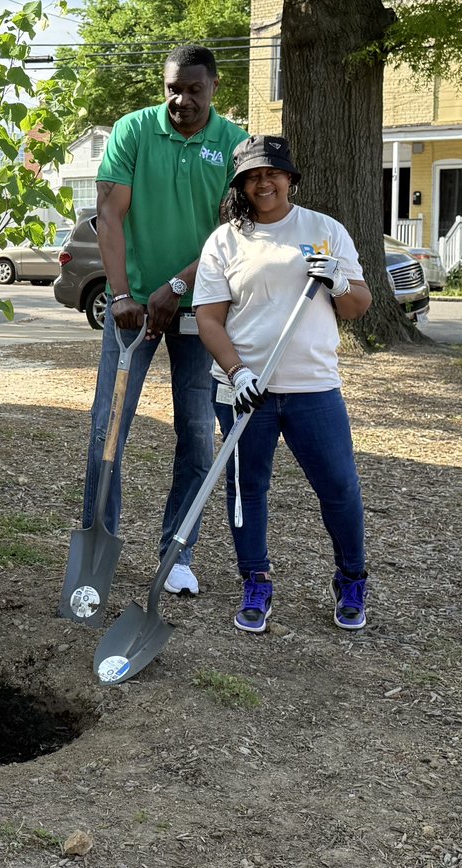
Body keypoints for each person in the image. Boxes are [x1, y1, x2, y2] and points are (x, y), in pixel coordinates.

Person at [82, 44, 249, 596]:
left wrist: (178, 286)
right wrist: (122, 294)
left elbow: (232, 236)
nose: (181, 99)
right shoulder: (133, 131)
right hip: (131, 313)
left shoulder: (232, 144)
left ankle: (177, 552)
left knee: (197, 436)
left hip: (200, 313)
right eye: (173, 88)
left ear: (214, 87)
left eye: (193, 89)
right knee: (108, 428)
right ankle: (97, 543)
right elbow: (109, 214)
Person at [194, 135, 372, 633]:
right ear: (241, 185)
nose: (263, 182)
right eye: (252, 175)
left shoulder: (324, 230)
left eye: (272, 173)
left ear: (290, 178)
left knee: (338, 486)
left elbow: (359, 304)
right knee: (245, 489)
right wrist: (238, 371)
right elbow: (208, 319)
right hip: (245, 390)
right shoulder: (225, 241)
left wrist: (336, 280)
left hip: (313, 386)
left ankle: (351, 578)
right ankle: (256, 581)